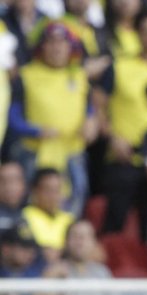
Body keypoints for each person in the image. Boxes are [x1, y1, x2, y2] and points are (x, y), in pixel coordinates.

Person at [94, 9, 147, 237]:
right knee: (114, 224)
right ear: (137, 34)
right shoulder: (119, 66)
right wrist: (111, 136)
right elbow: (97, 104)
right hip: (124, 157)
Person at [10, 21, 94, 218]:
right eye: (51, 42)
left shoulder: (80, 76)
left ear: (70, 47)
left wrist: (91, 122)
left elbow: (88, 109)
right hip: (34, 153)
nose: (57, 47)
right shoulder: (26, 75)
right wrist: (35, 131)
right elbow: (12, 116)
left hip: (72, 153)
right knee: (28, 205)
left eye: (62, 42)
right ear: (42, 46)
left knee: (74, 204)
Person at [41, 220, 125, 295]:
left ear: (94, 242)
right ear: (66, 241)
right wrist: (51, 279)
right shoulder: (55, 272)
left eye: (85, 237)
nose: (80, 241)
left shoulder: (102, 272)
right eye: (75, 236)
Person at [22, 168, 73, 261]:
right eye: (48, 190)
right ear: (35, 191)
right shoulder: (24, 216)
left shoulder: (69, 219)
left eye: (57, 190)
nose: (53, 196)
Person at [0, 163, 28, 238]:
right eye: (3, 181)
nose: (9, 187)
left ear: (24, 184)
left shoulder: (31, 214)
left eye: (14, 180)